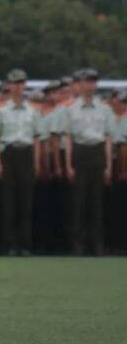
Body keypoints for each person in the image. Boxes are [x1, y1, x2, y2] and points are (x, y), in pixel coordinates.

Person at [59, 68, 114, 256]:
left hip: (97, 152)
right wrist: (68, 165)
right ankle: (78, 245)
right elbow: (67, 139)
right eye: (86, 82)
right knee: (79, 202)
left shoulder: (104, 108)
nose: (89, 85)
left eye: (92, 82)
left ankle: (97, 245)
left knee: (97, 203)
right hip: (80, 152)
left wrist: (108, 166)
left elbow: (107, 139)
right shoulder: (71, 109)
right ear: (80, 85)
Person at [0, 69, 42, 256]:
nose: (18, 87)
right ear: (9, 86)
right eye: (15, 83)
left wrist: (36, 163)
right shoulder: (1, 111)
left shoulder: (33, 111)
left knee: (26, 202)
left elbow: (36, 139)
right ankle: (10, 244)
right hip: (9, 154)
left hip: (26, 154)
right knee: (9, 202)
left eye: (21, 83)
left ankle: (25, 244)